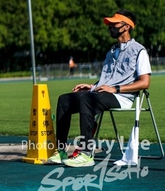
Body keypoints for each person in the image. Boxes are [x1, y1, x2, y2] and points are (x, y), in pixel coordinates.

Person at [48, 10, 151, 167]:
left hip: (121, 97)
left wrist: (115, 89)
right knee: (64, 99)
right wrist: (92, 86)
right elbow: (108, 77)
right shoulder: (111, 51)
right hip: (102, 93)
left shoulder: (139, 51)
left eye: (113, 24)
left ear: (126, 26)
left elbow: (145, 83)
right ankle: (61, 150)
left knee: (86, 99)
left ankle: (86, 153)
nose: (110, 27)